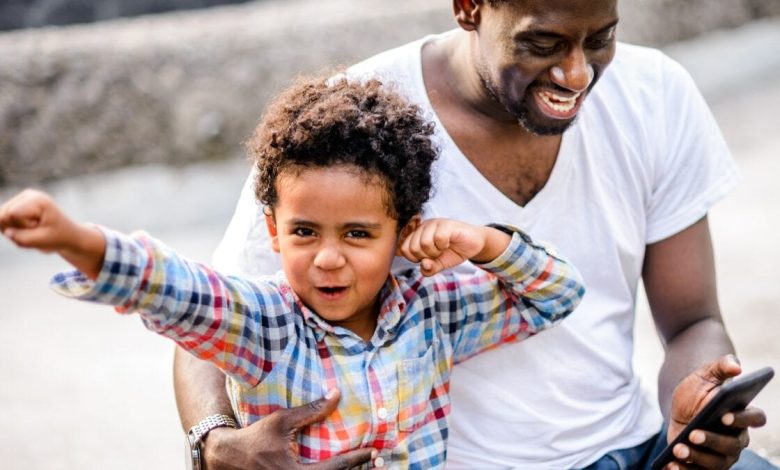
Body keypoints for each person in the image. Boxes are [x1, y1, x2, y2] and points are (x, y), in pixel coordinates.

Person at [172, 1, 776, 469]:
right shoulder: (354, 126)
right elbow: (210, 320)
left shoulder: (656, 96)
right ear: (469, 8)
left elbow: (693, 319)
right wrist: (215, 443)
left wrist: (696, 411)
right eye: (542, 43)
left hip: (634, 447)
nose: (576, 73)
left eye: (600, 39)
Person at [0, 77, 585, 468]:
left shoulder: (434, 311)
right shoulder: (267, 324)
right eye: (305, 231)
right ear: (274, 231)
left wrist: (487, 243)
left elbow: (557, 295)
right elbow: (176, 289)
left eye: (357, 234)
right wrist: (74, 240)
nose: (327, 258)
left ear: (403, 232)